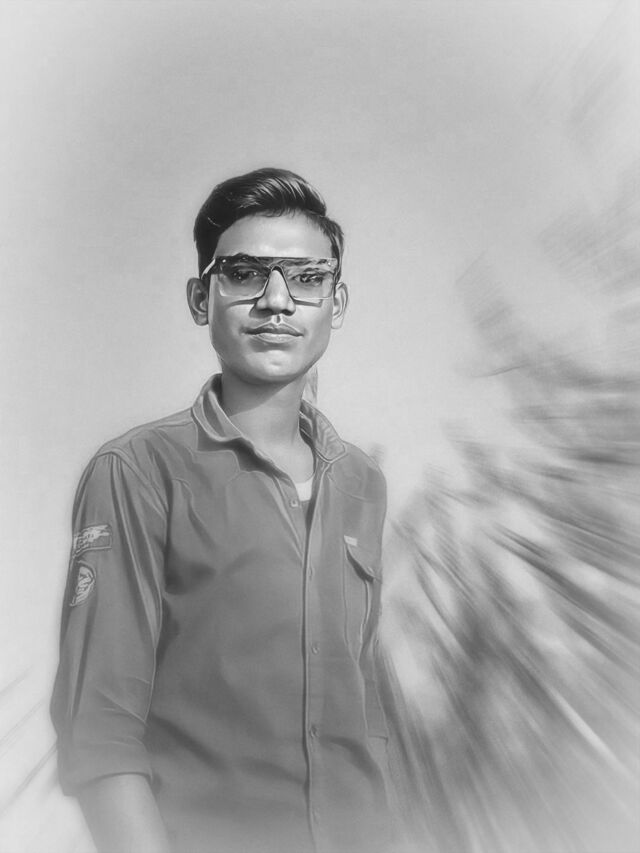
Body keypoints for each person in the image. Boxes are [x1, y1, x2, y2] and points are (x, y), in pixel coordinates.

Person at [51, 167, 396, 853]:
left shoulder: (361, 482)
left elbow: (367, 716)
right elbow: (100, 733)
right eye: (244, 274)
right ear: (200, 297)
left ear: (336, 301)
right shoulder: (138, 472)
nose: (277, 301)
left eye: (306, 278)